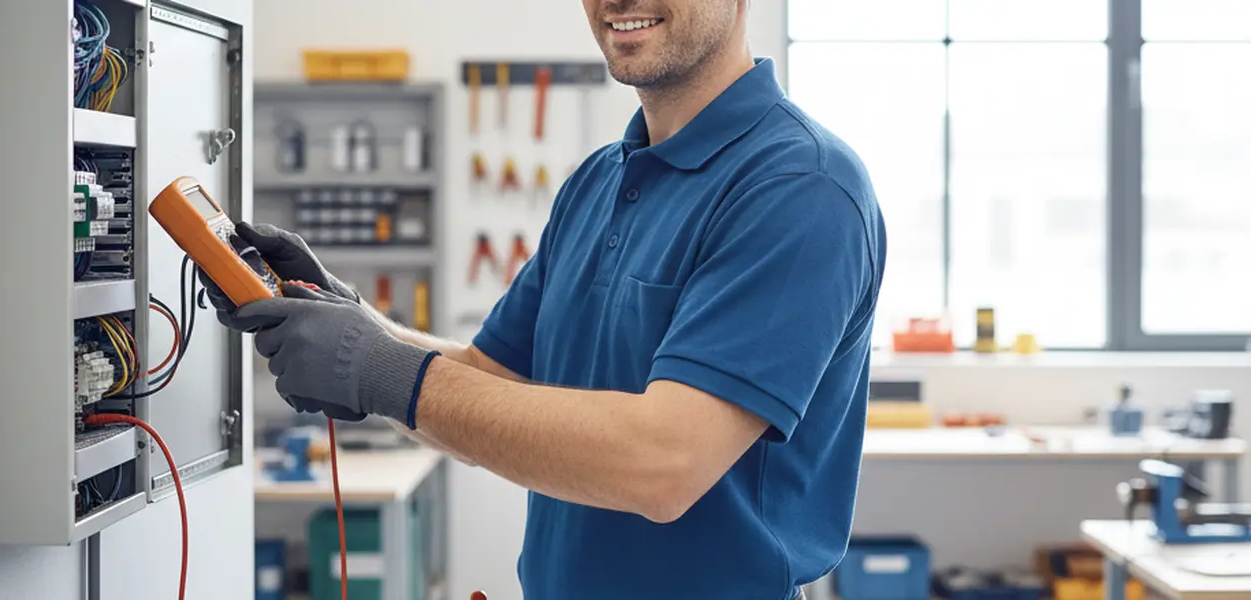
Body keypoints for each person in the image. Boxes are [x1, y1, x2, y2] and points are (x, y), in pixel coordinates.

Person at [207, 1, 885, 597]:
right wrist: (350, 319)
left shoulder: (800, 186)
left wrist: (376, 369)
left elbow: (665, 464)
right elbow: (489, 383)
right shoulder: (596, 181)